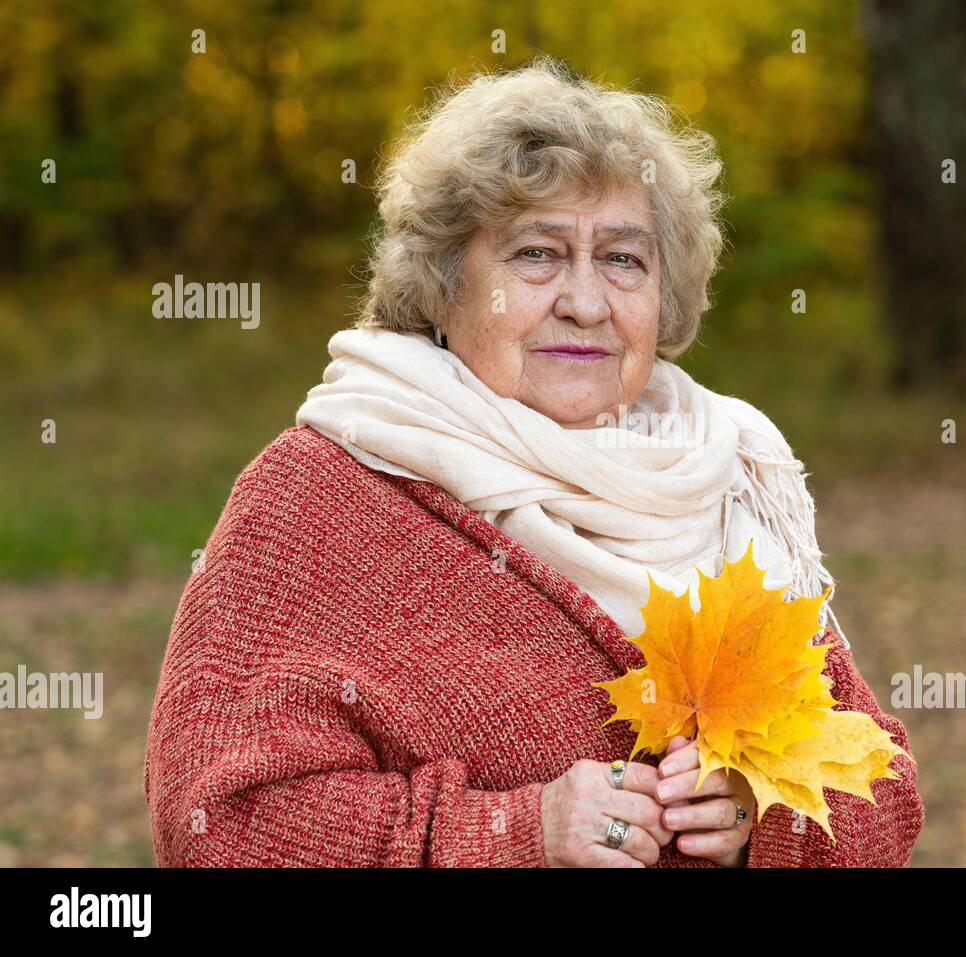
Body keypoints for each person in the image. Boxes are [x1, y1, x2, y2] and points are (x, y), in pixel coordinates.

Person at [143, 54, 923, 867]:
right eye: (536, 255)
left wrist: (762, 818)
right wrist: (517, 834)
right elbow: (218, 825)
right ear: (443, 285)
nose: (585, 302)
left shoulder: (728, 483)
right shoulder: (316, 494)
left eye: (623, 259)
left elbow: (884, 793)